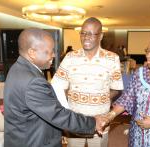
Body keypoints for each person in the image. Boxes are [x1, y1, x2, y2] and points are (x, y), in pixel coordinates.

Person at [4, 28, 108, 147]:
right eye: (49, 51)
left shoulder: (17, 68)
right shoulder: (33, 81)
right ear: (32, 53)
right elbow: (58, 115)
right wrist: (93, 123)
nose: (53, 55)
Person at [52, 17, 124, 147]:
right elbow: (58, 86)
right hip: (75, 120)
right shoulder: (70, 57)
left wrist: (102, 98)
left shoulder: (112, 58)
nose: (86, 37)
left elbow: (116, 87)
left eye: (91, 33)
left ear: (101, 36)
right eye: (83, 33)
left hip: (100, 121)